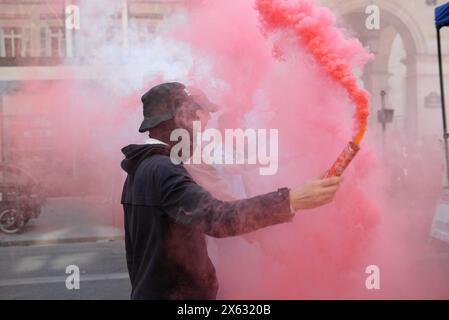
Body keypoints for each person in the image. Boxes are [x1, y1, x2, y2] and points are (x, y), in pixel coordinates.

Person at [120, 82, 343, 300]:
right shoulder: (164, 170)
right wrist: (290, 200)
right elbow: (218, 217)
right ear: (177, 121)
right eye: (193, 119)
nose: (199, 129)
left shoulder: (143, 166)